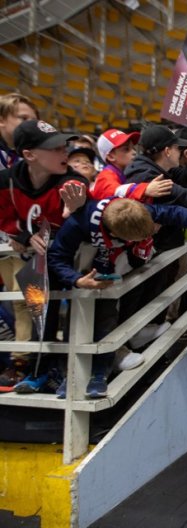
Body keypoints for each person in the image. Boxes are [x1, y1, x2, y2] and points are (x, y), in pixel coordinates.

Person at [48, 197, 187, 398]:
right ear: (118, 235)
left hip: (114, 273)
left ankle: (101, 372)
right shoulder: (78, 222)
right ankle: (71, 376)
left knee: (107, 322)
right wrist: (77, 280)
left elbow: (177, 213)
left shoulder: (137, 209)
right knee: (76, 323)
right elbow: (56, 257)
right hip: (85, 273)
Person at [0, 119, 89, 392]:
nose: (65, 153)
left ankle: (62, 370)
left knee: (73, 313)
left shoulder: (73, 181)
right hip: (34, 264)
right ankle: (39, 369)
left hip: (72, 263)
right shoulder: (5, 181)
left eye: (65, 146)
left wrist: (75, 211)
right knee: (39, 315)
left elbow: (87, 218)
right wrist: (23, 237)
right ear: (29, 155)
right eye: (55, 148)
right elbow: (6, 218)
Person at [0, 94, 39, 388]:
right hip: (8, 241)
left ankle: (22, 362)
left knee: (26, 300)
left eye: (32, 118)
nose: (30, 123)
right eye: (22, 118)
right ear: (2, 122)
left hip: (21, 245)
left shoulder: (31, 154)